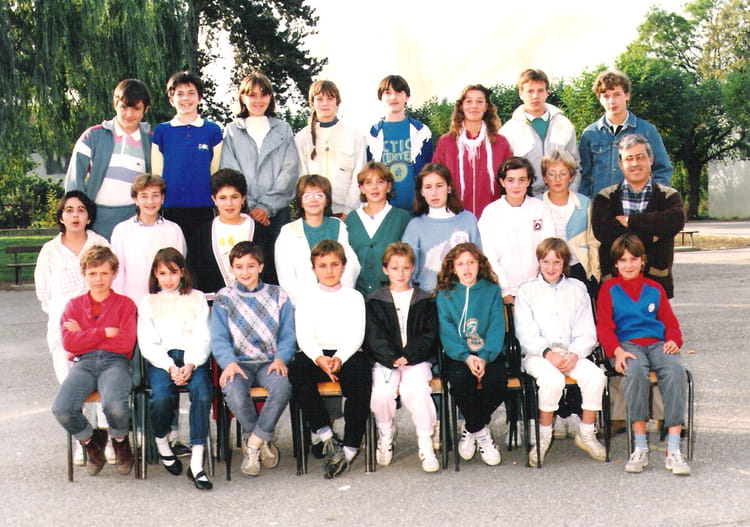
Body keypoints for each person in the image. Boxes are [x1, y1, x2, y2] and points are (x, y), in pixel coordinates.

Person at [592, 133, 685, 432]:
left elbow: (674, 222)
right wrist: (652, 231)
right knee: (623, 343)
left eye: (640, 157)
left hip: (656, 281)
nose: (635, 163)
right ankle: (622, 415)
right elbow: (604, 232)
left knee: (656, 342)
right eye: (628, 158)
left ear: (650, 159)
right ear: (620, 163)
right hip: (616, 284)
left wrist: (630, 223)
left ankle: (664, 414)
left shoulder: (668, 195)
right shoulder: (605, 197)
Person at [596, 233, 690, 475]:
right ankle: (640, 446)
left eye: (633, 259)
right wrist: (616, 351)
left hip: (656, 343)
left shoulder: (655, 288)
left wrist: (673, 340)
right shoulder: (608, 289)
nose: (629, 265)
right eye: (623, 260)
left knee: (675, 370)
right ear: (616, 263)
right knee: (635, 372)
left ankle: (673, 448)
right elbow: (604, 327)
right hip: (626, 345)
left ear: (642, 261)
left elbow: (670, 323)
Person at [35, 191, 112, 466]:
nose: (75, 215)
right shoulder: (50, 251)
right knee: (72, 387)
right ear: (61, 216)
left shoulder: (100, 244)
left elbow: (110, 282)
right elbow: (44, 293)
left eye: (81, 210)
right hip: (64, 329)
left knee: (103, 384)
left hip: (99, 325)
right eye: (69, 210)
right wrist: (68, 317)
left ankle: (108, 439)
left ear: (89, 216)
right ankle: (85, 441)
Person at [514, 238, 606, 467]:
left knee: (596, 376)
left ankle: (586, 433)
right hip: (538, 355)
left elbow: (586, 331)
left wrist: (575, 354)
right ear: (538, 262)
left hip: (571, 353)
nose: (551, 267)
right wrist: (548, 353)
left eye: (557, 262)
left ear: (565, 263)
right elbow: (525, 332)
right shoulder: (527, 291)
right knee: (552, 380)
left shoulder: (577, 289)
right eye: (546, 262)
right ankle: (543, 437)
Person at [211, 241, 295, 478]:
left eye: (251, 266)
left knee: (282, 387)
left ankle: (253, 442)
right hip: (238, 363)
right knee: (233, 391)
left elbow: (288, 334)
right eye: (239, 267)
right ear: (232, 269)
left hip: (270, 361)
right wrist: (228, 362)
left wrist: (281, 358)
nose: (245, 272)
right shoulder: (224, 297)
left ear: (261, 266)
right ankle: (261, 440)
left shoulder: (278, 295)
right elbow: (218, 337)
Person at [51, 245, 136, 477]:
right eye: (92, 273)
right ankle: (91, 442)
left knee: (115, 407)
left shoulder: (125, 304)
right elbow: (70, 343)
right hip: (84, 363)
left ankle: (120, 441)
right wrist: (103, 332)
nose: (98, 279)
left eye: (104, 273)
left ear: (114, 273)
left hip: (114, 362)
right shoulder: (74, 306)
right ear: (83, 274)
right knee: (62, 408)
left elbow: (125, 343)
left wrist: (84, 334)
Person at [288, 240, 371, 478]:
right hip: (316, 354)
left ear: (343, 266)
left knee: (361, 377)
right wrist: (318, 358)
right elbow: (304, 335)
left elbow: (356, 334)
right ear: (313, 269)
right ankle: (326, 436)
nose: (329, 270)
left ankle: (350, 447)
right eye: (322, 266)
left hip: (346, 353)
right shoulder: (306, 298)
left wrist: (339, 358)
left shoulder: (354, 297)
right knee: (297, 371)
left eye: (335, 264)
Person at [137, 248, 212, 489]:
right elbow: (148, 341)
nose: (168, 279)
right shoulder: (148, 302)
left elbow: (203, 335)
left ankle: (197, 462)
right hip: (162, 359)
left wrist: (190, 363)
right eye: (162, 273)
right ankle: (162, 442)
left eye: (173, 272)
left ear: (182, 272)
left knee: (202, 392)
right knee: (161, 396)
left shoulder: (197, 298)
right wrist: (170, 367)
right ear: (155, 275)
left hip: (193, 357)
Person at [364, 242, 440, 472]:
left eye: (406, 268)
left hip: (415, 359)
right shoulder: (374, 300)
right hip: (386, 360)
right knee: (382, 393)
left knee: (418, 391)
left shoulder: (424, 299)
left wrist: (409, 355)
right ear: (385, 269)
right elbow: (373, 335)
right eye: (395, 268)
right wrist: (391, 357)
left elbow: (430, 334)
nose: (401, 273)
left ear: (413, 268)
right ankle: (385, 432)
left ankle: (425, 441)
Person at [220, 71, 299, 284]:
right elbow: (230, 172)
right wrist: (249, 206)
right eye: (252, 95)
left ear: (270, 97)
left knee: (277, 268)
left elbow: (289, 171)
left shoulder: (283, 129)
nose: (258, 100)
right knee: (246, 269)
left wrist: (265, 207)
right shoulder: (232, 131)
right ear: (242, 97)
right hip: (244, 213)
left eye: (263, 94)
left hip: (277, 213)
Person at [435, 242, 505, 466]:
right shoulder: (445, 294)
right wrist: (466, 357)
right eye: (460, 264)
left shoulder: (491, 290)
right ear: (452, 267)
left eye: (471, 262)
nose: (466, 268)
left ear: (480, 265)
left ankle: (471, 426)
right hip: (458, 355)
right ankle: (481, 432)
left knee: (497, 383)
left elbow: (496, 327)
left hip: (488, 353)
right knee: (460, 382)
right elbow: (446, 331)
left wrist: (483, 356)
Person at [64, 79, 152, 240]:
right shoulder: (93, 136)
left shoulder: (151, 141)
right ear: (115, 105)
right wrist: (79, 216)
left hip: (134, 220)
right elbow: (74, 181)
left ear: (145, 109)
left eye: (136, 108)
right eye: (124, 107)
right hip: (97, 220)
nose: (129, 114)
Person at [151, 71, 223, 246]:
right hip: (171, 206)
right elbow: (157, 173)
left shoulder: (212, 130)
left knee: (201, 256)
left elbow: (216, 171)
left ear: (199, 97)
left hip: (203, 206)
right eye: (180, 93)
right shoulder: (162, 131)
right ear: (171, 99)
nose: (185, 98)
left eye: (191, 93)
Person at [578, 69, 672, 197]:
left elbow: (663, 169)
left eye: (617, 94)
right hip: (601, 205)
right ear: (599, 99)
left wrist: (651, 198)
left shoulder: (647, 131)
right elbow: (583, 176)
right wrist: (587, 203)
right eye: (606, 96)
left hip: (636, 204)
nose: (612, 101)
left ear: (627, 95)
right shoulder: (590, 134)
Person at [275, 174, 360, 307]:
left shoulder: (337, 226)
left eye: (319, 195)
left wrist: (340, 296)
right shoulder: (288, 231)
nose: (313, 200)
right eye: (307, 196)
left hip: (338, 303)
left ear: (327, 200)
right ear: (300, 201)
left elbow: (351, 265)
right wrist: (302, 304)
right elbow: (285, 275)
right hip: (304, 304)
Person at [478, 156, 554, 303]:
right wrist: (504, 291)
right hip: (503, 291)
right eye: (510, 180)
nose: (516, 186)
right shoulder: (491, 212)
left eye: (522, 180)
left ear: (529, 181)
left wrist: (542, 283)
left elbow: (548, 248)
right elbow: (488, 255)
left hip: (538, 288)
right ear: (502, 182)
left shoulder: (540, 208)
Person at [432, 84, 512, 217]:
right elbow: (435, 179)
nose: (474, 106)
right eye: (468, 101)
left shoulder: (500, 143)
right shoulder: (446, 142)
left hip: (492, 217)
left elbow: (510, 180)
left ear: (486, 106)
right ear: (461, 106)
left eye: (479, 101)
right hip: (455, 216)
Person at [401, 162, 481, 294]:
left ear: (449, 187)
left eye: (439, 186)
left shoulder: (468, 220)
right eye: (428, 187)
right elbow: (407, 268)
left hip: (464, 295)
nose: (434, 192)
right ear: (421, 191)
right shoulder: (415, 226)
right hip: (428, 297)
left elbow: (479, 262)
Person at [499, 69, 580, 195]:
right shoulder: (508, 131)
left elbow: (576, 165)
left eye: (540, 90)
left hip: (560, 197)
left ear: (547, 92)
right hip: (526, 199)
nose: (535, 96)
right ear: (521, 93)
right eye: (530, 91)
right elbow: (505, 173)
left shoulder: (564, 124)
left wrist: (569, 194)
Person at [111, 174, 186, 304]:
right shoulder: (121, 230)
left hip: (165, 302)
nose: (150, 201)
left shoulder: (173, 230)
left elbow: (177, 269)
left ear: (162, 198)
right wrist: (121, 304)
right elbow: (118, 272)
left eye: (155, 195)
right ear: (135, 199)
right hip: (132, 301)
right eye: (144, 196)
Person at [295, 80, 366, 216]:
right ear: (312, 103)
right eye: (319, 99)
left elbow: (359, 174)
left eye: (330, 98)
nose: (325, 103)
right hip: (314, 212)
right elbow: (301, 177)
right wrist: (311, 209)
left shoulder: (354, 135)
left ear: (337, 102)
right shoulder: (302, 138)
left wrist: (348, 210)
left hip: (345, 213)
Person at [187, 168, 259, 296]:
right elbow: (195, 275)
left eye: (234, 197)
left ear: (243, 198)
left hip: (255, 303)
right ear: (214, 199)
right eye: (222, 198)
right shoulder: (202, 234)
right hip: (214, 304)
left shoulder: (260, 232)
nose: (229, 204)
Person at [366, 75, 433, 211]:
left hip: (416, 209)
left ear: (407, 97)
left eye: (398, 92)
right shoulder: (371, 135)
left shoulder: (422, 132)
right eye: (387, 93)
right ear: (380, 97)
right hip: (383, 210)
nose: (393, 97)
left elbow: (429, 168)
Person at [344, 162, 411, 296]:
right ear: (362, 188)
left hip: (392, 296)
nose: (374, 187)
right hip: (358, 295)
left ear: (388, 186)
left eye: (380, 182)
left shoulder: (402, 218)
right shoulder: (351, 219)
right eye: (368, 182)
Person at [540, 149, 600, 296]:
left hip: (577, 267)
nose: (557, 179)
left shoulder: (584, 203)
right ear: (544, 178)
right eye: (552, 174)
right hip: (547, 269)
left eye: (563, 173)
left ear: (571, 177)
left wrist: (594, 272)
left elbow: (592, 241)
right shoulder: (536, 204)